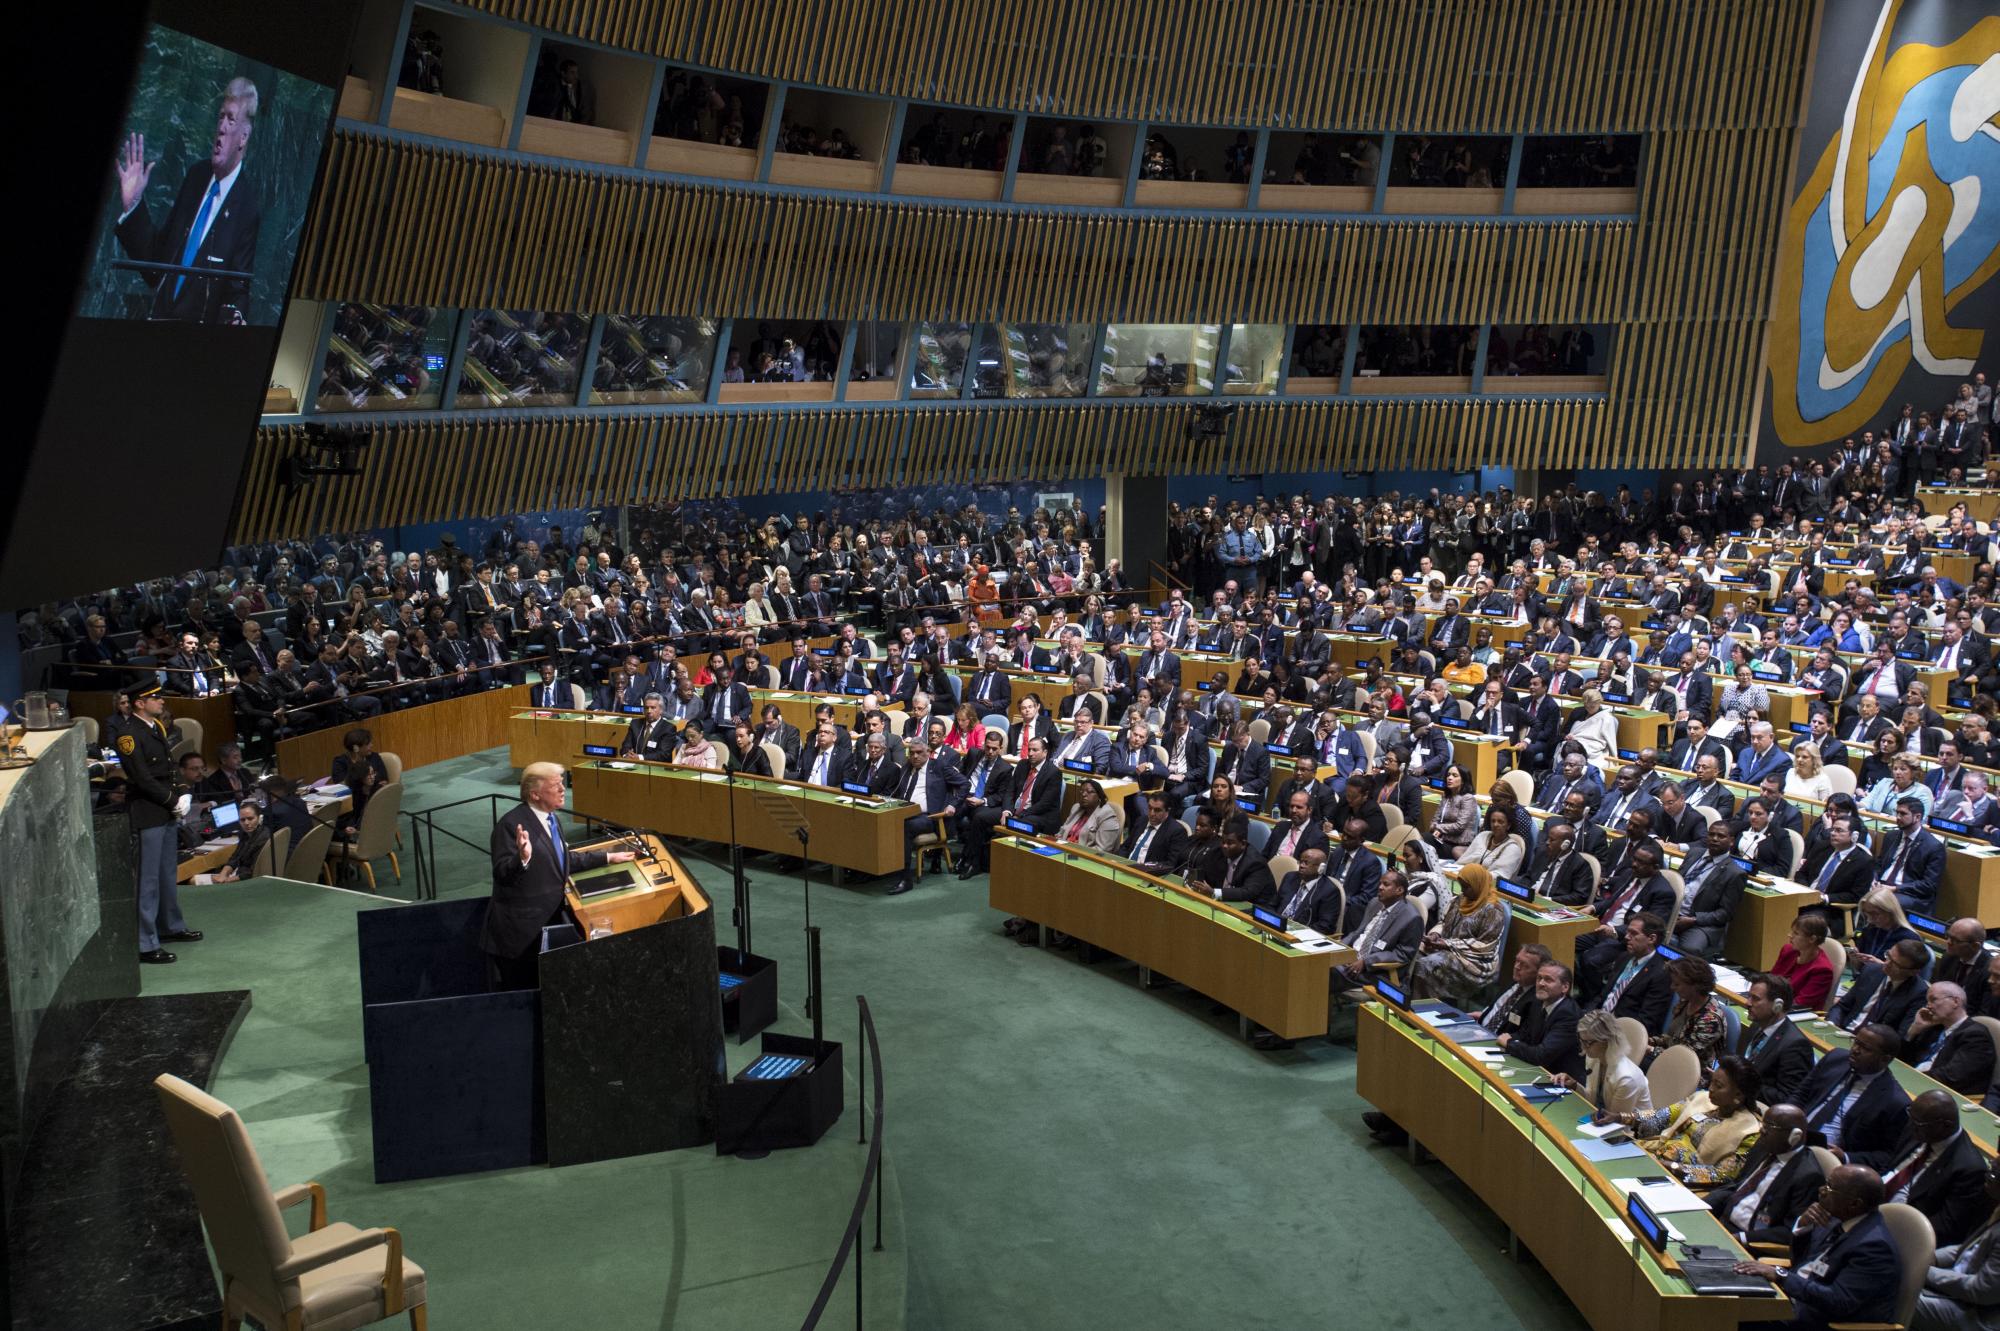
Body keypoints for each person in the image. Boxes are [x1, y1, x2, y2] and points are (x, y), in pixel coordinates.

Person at [114, 77, 263, 323]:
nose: (222, 127)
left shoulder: (246, 208)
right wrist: (134, 204)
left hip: (191, 344)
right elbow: (157, 264)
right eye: (220, 116)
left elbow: (237, 291)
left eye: (231, 119)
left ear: (244, 137)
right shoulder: (196, 176)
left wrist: (235, 316)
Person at [480, 761, 635, 989]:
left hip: (546, 927)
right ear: (534, 794)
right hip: (520, 939)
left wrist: (606, 857)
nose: (563, 789)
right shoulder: (511, 825)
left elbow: (561, 859)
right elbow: (502, 873)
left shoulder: (551, 818)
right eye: (556, 785)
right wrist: (522, 858)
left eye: (562, 783)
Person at [1729, 1165, 1903, 1328]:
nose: (1821, 1191)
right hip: (1791, 1299)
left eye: (1830, 1188)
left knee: (1723, 1314)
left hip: (1815, 1320)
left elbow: (1839, 1301)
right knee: (1723, 1291)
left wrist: (1780, 1275)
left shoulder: (1875, 1248)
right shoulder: (1835, 1218)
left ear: (1854, 1204)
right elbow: (1801, 1261)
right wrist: (1803, 1226)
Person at [117, 684, 201, 963]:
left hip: (165, 810)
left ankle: (170, 926)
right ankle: (145, 942)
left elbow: (167, 765)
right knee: (148, 880)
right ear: (139, 703)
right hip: (149, 811)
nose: (161, 701)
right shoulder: (128, 734)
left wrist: (183, 791)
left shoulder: (156, 728)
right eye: (155, 698)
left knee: (166, 874)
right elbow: (141, 777)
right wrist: (171, 799)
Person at [1619, 1054, 1764, 1186]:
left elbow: (1723, 1175)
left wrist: (1673, 1167)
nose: (1711, 1089)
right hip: (1655, 1157)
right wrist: (1623, 1117)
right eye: (1712, 1082)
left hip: (1681, 1182)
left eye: (1718, 1086)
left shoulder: (1750, 1132)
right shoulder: (1702, 1098)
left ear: (1738, 1095)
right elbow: (1662, 1116)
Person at [1709, 1104, 1825, 1247]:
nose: (1761, 1131)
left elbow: (1789, 1230)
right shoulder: (1764, 1146)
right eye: (1763, 1124)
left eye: (1770, 1127)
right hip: (1720, 1222)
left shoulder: (1808, 1176)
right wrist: (1702, 1205)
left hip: (1748, 1241)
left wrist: (1741, 1238)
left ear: (1794, 1136)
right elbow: (1736, 1187)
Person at [1887, 1090, 1990, 1248]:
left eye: (1918, 1124)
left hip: (1904, 1232)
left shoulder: (1969, 1169)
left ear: (1945, 1126)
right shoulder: (1919, 1128)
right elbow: (1888, 1166)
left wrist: (1891, 1224)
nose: (1911, 1126)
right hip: (1876, 1201)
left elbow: (1946, 1227)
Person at [1798, 1024, 1912, 1167]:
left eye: (1866, 1048)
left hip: (1827, 1162)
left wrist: (1845, 1157)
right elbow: (1800, 1094)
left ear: (1885, 1059)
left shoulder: (1895, 1102)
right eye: (1856, 1042)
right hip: (1794, 1134)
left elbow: (1887, 1156)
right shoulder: (1835, 1059)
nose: (1856, 1050)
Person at [1910, 1157, 2000, 1331]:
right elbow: (1967, 1249)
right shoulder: (1996, 1207)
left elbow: (1981, 1290)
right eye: (1991, 1168)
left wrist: (1924, 1271)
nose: (1988, 1177)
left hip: (1978, 1316)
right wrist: (1930, 1258)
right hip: (1958, 1289)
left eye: (1995, 1175)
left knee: (1893, 1294)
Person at [1407, 863, 1509, 1008]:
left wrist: (1447, 944)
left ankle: (1425, 1010)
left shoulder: (1493, 910)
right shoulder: (1458, 900)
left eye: (1467, 886)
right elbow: (1444, 922)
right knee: (1414, 953)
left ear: (1477, 884)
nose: (1463, 891)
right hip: (1447, 948)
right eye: (1462, 886)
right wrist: (1436, 934)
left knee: (1428, 964)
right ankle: (1411, 1003)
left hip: (1475, 959)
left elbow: (1485, 945)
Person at [889, 738, 966, 896]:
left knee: (904, 826)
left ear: (928, 753)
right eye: (912, 753)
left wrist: (952, 804)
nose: (915, 756)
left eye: (919, 753)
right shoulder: (906, 767)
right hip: (903, 812)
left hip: (930, 817)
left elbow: (964, 784)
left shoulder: (938, 766)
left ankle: (905, 878)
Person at [1493, 960, 1586, 1081]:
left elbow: (1542, 1056)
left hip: (1560, 1081)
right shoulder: (1538, 1002)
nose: (1541, 983)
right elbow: (1525, 1034)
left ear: (1565, 987)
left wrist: (1510, 1044)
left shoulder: (1569, 1015)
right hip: (1537, 1070)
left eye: (1548, 980)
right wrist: (1508, 1038)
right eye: (1539, 978)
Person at [1558, 1009, 1653, 1119]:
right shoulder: (1594, 1058)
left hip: (1634, 1132)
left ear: (1607, 1041)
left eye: (1588, 1042)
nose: (1583, 1047)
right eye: (1581, 1040)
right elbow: (1592, 1100)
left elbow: (1616, 1124)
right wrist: (1574, 1086)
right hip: (1603, 1122)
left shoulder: (1627, 1078)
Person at [1740, 972, 1817, 1105]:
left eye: (1755, 999)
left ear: (1778, 1005)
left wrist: (1742, 1084)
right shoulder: (1755, 1026)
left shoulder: (1795, 1045)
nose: (1748, 1003)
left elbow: (1787, 1098)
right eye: (1749, 997)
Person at [1649, 955, 1729, 1068]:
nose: (1672, 987)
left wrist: (1651, 1050)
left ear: (1695, 986)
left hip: (1692, 1073)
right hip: (1669, 1058)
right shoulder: (1686, 1001)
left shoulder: (1710, 1020)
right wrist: (1652, 1041)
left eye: (1677, 984)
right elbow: (1673, 1039)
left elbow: (1683, 1057)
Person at [1772, 913, 1840, 1011]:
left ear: (1812, 939)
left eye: (1796, 933)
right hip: (1774, 1004)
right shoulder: (1787, 950)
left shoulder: (1822, 970)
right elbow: (1771, 981)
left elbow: (1801, 1004)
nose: (1790, 935)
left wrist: (1768, 1006)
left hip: (1795, 1014)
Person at [208, 799, 271, 883]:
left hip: (248, 880)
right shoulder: (244, 834)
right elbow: (235, 857)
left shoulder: (263, 838)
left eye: (250, 818)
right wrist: (223, 875)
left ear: (260, 818)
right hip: (237, 875)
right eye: (242, 820)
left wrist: (227, 880)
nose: (246, 823)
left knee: (193, 881)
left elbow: (254, 871)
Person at [1054, 779, 1122, 854]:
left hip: (1083, 857)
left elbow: (1102, 851)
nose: (1084, 794)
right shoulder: (1076, 808)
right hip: (1064, 851)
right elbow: (1061, 833)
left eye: (1089, 792)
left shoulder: (1107, 816)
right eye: (1081, 791)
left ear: (1099, 796)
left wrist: (1071, 856)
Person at [620, 692, 678, 760]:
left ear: (661, 710)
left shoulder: (668, 728)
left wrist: (639, 757)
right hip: (632, 764)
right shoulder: (635, 724)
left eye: (653, 708)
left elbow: (663, 754)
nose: (649, 711)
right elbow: (625, 746)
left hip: (655, 767)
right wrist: (626, 755)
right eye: (646, 708)